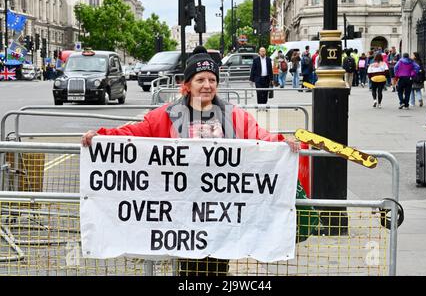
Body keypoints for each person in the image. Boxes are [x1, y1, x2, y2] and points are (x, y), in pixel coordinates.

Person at [81, 46, 303, 275]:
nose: (207, 85)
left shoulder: (233, 114)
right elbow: (135, 133)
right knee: (189, 265)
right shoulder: (165, 115)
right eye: (200, 80)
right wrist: (101, 137)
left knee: (217, 264)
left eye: (212, 79)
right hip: (182, 211)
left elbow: (259, 137)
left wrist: (282, 142)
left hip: (220, 210)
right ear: (186, 85)